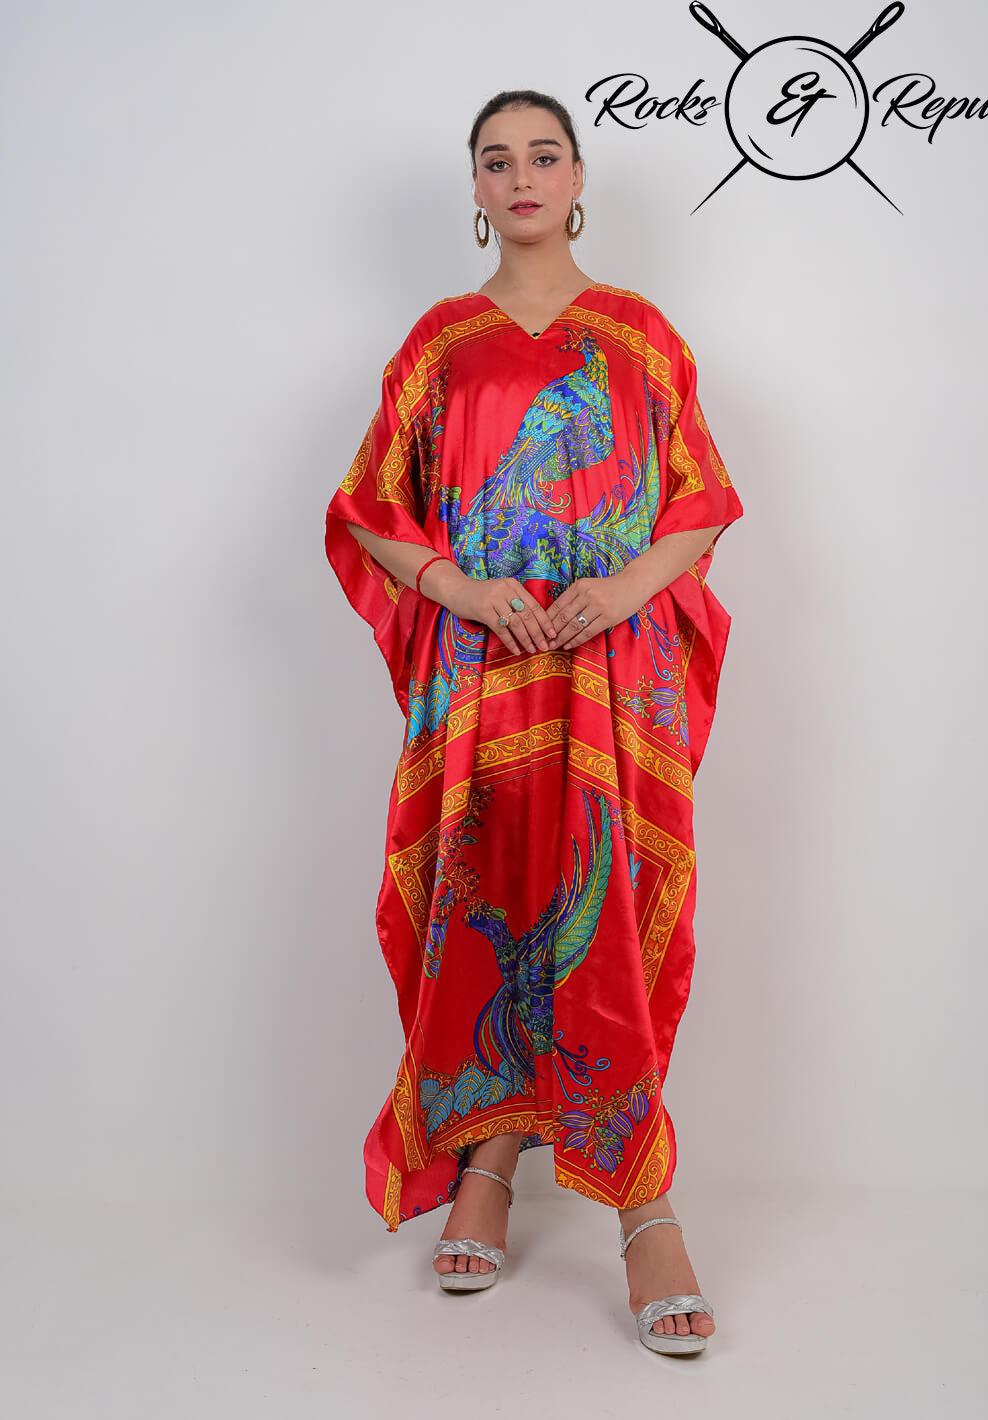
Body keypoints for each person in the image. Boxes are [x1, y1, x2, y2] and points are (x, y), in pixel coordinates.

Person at [324, 89, 744, 1357]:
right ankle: (491, 1158)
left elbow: (701, 500)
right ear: (474, 189)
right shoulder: (438, 343)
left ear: (577, 178)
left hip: (612, 670)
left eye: (543, 156)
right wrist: (461, 588)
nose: (521, 177)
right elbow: (371, 508)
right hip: (482, 672)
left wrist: (621, 588)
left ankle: (643, 1202)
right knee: (489, 893)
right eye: (496, 159)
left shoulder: (641, 335)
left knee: (608, 902)